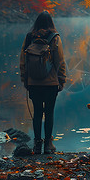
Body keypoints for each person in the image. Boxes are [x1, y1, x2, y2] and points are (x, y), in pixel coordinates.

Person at [20, 11, 66, 154]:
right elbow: (60, 61)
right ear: (50, 22)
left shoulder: (29, 37)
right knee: (49, 112)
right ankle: (48, 145)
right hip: (51, 83)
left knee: (38, 113)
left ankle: (37, 145)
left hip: (33, 83)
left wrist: (25, 79)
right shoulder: (54, 38)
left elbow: (23, 61)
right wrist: (61, 80)